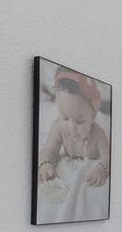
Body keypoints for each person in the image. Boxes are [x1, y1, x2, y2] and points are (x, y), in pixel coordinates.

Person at [35, 66, 110, 223]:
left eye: (80, 121)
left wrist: (102, 168)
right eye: (65, 117)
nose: (71, 128)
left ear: (93, 115)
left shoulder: (98, 134)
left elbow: (108, 156)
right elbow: (48, 149)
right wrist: (46, 164)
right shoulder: (59, 127)